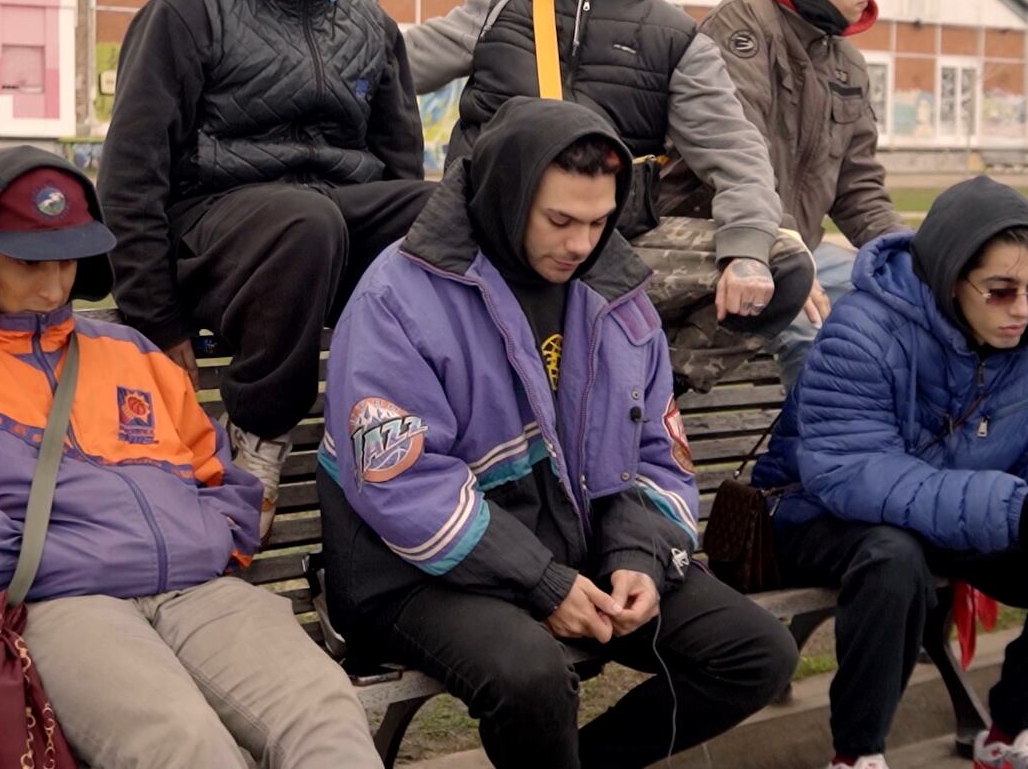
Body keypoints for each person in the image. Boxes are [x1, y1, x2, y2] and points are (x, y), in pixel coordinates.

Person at [0, 147, 381, 769]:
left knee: (327, 715)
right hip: (60, 607)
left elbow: (218, 470)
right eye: (29, 260)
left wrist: (213, 536)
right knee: (183, 746)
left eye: (67, 258)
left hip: (198, 593)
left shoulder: (129, 352)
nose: (54, 283)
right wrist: (21, 556)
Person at [317, 98, 799, 769]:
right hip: (407, 569)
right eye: (560, 220)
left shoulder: (619, 292)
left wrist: (639, 554)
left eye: (599, 222)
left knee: (756, 654)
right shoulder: (396, 298)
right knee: (534, 677)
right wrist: (541, 584)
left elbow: (658, 455)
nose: (580, 243)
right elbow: (401, 486)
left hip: (570, 544)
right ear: (508, 198)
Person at [752, 176, 1028, 769]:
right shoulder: (864, 330)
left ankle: (1008, 735)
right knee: (892, 560)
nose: (1023, 310)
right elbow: (852, 471)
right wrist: (1014, 510)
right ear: (951, 277)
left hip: (950, 513)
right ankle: (857, 755)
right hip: (819, 512)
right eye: (1001, 290)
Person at [98, 0, 431, 540]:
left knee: (440, 210)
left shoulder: (370, 20)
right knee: (303, 220)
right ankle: (260, 437)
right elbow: (131, 169)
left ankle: (423, 430)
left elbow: (400, 160)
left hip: (325, 227)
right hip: (219, 228)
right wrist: (156, 318)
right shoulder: (191, 2)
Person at [404, 0, 813, 393]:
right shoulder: (501, 1)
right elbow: (394, 63)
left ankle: (637, 392)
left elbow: (737, 156)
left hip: (607, 244)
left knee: (783, 265)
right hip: (487, 235)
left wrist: (747, 253)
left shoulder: (677, 40)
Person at [662, 0, 906, 392]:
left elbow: (859, 187)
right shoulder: (742, 25)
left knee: (904, 306)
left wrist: (904, 256)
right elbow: (734, 158)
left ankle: (874, 458)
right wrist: (786, 252)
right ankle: (810, 465)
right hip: (725, 238)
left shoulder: (845, 60)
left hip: (800, 248)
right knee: (814, 332)